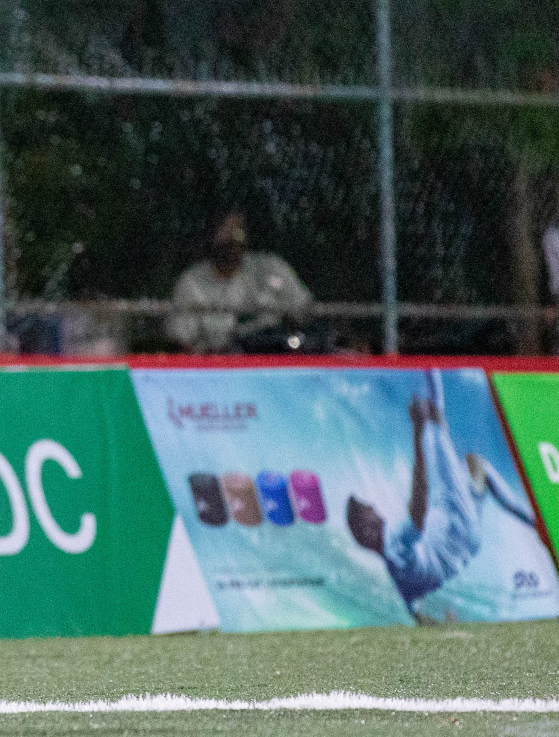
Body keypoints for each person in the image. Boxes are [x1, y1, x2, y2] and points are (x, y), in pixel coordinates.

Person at [346, 372, 539, 615]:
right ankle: (431, 367)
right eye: (368, 510)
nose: (374, 509)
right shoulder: (394, 540)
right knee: (434, 423)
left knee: (477, 466)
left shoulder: (396, 574)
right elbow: (418, 509)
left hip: (466, 545)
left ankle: (535, 521)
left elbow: (413, 610)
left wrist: (439, 623)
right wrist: (417, 431)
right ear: (366, 530)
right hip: (454, 521)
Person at [166, 210, 312, 353]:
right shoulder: (192, 282)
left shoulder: (270, 268)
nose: (232, 242)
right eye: (225, 234)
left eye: (237, 233)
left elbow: (303, 309)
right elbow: (182, 338)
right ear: (211, 238)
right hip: (222, 362)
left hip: (276, 356)